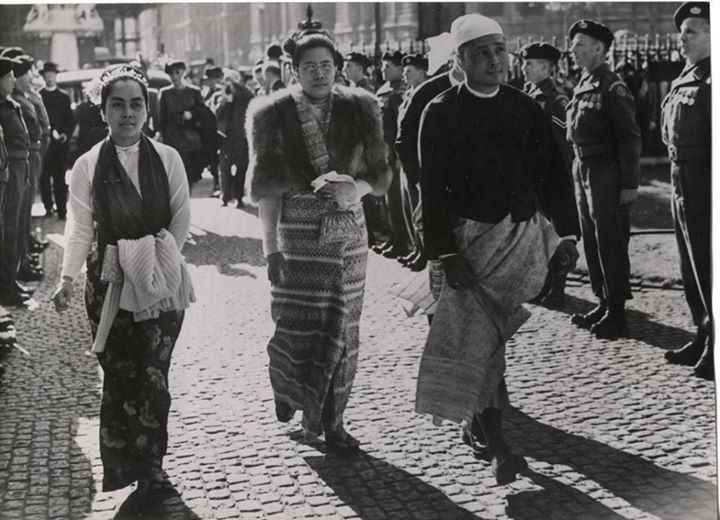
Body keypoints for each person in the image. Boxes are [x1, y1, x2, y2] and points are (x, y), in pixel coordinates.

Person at [415, 14, 580, 485]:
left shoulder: (523, 108)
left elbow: (552, 173)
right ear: (461, 60)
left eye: (500, 50)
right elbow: (431, 190)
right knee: (477, 340)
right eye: (482, 53)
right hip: (466, 247)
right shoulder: (441, 112)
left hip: (517, 241)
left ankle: (480, 424)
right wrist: (445, 253)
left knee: (490, 338)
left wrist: (566, 235)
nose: (495, 61)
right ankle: (498, 444)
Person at [246, 29, 391, 449]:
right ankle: (293, 393)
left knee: (345, 328)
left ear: (338, 68)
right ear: (294, 70)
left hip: (348, 230)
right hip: (298, 233)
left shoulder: (361, 106)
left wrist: (356, 191)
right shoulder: (270, 113)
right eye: (308, 66)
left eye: (326, 65)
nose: (319, 74)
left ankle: (334, 421)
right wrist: (270, 249)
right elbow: (267, 191)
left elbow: (379, 174)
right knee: (300, 325)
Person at [52, 64, 192, 494]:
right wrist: (68, 278)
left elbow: (182, 216)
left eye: (136, 104)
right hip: (109, 282)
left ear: (147, 111)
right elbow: (78, 227)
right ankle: (125, 465)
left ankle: (152, 466)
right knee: (120, 375)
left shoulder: (167, 158)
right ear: (103, 110)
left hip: (158, 281)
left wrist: (155, 259)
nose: (127, 114)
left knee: (153, 374)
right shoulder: (88, 165)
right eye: (117, 105)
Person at [566, 20, 642, 339]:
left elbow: (630, 138)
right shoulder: (584, 83)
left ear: (599, 49)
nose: (573, 49)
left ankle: (617, 310)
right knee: (592, 238)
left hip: (606, 171)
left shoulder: (612, 86)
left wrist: (629, 184)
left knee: (610, 239)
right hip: (583, 168)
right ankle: (602, 299)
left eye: (580, 44)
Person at [661, 2, 712, 380]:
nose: (683, 38)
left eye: (692, 30)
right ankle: (703, 331)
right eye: (682, 31)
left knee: (712, 266)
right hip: (682, 181)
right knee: (690, 264)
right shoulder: (686, 76)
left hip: (708, 182)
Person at [520, 43, 577, 307]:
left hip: (552, 178)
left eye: (530, 64)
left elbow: (563, 144)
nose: (524, 68)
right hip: (532, 177)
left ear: (545, 67)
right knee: (538, 233)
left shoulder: (556, 100)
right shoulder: (528, 94)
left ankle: (558, 288)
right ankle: (543, 284)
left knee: (558, 233)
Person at [8, 53, 45, 282]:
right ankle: (16, 267)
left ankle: (22, 257)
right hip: (18, 160)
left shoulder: (24, 97)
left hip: (27, 158)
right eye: (25, 74)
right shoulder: (13, 102)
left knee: (23, 215)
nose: (31, 76)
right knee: (16, 218)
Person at [373, 50, 413, 260]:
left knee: (398, 200)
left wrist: (399, 156)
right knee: (389, 199)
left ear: (399, 69)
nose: (383, 69)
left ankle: (403, 241)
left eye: (388, 66)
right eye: (383, 66)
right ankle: (394, 237)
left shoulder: (400, 92)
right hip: (383, 151)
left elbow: (401, 128)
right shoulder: (383, 90)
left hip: (394, 152)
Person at [0, 55, 32, 306]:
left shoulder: (10, 104)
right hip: (9, 169)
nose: (12, 81)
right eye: (8, 77)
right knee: (9, 228)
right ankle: (6, 285)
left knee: (18, 225)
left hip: (21, 166)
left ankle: (11, 280)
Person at [395, 53, 429, 272]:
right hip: (405, 160)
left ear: (421, 72)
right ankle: (416, 248)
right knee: (408, 206)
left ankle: (426, 252)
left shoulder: (427, 94)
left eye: (409, 71)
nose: (404, 75)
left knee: (419, 208)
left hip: (417, 161)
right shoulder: (408, 94)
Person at [157, 60, 206, 185]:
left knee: (189, 174)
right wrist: (160, 134)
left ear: (184, 72)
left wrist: (192, 114)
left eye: (177, 73)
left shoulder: (194, 91)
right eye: (171, 74)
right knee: (173, 174)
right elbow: (161, 118)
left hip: (191, 138)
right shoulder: (165, 93)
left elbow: (203, 113)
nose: (174, 77)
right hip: (172, 137)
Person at [213, 71, 254, 207]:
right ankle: (225, 195)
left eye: (231, 81)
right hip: (225, 137)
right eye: (226, 81)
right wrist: (223, 102)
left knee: (241, 167)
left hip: (240, 136)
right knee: (224, 167)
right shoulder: (219, 95)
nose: (229, 84)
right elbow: (216, 116)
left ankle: (238, 197)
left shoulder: (245, 94)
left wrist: (238, 93)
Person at [39, 61, 74, 220]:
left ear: (56, 77)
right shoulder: (39, 96)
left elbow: (70, 120)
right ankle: (48, 207)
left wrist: (65, 134)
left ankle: (62, 210)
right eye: (47, 76)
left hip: (60, 146)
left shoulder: (64, 97)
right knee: (44, 178)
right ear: (43, 77)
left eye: (52, 76)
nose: (50, 79)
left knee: (60, 178)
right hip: (44, 145)